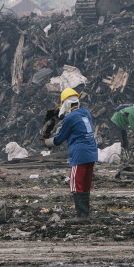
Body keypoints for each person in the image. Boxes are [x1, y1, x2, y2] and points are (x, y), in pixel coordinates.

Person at [42, 88, 98, 223]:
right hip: (91, 153)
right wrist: (59, 112)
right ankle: (85, 215)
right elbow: (69, 116)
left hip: (79, 154)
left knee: (75, 183)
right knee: (85, 184)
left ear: (65, 103)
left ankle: (81, 216)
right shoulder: (85, 112)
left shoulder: (70, 118)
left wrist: (46, 141)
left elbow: (59, 139)